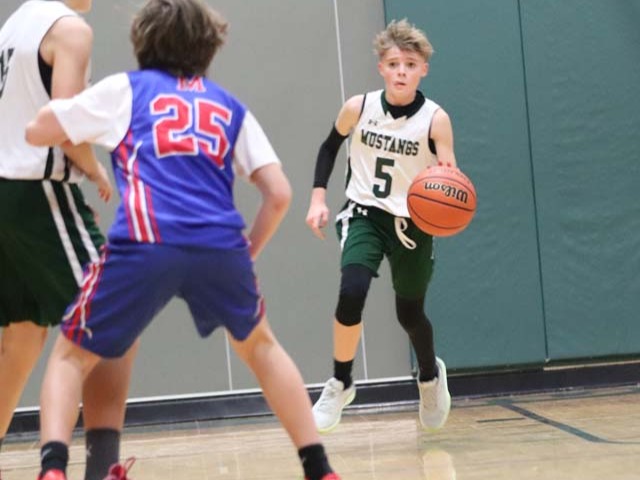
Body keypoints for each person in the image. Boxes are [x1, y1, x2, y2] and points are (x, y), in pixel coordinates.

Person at [25, 1, 341, 479]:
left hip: (145, 239)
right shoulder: (228, 105)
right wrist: (247, 252)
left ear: (142, 40)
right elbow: (279, 194)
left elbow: (39, 130)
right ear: (209, 47)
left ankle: (53, 468)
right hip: (220, 245)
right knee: (262, 348)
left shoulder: (127, 89)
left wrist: (67, 105)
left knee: (70, 355)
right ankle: (319, 468)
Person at [0, 1, 138, 479]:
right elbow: (62, 123)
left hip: (7, 190)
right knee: (113, 312)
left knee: (21, 336)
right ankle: (96, 469)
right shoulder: (70, 30)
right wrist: (94, 169)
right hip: (35, 189)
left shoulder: (14, 24)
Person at [305, 18, 454, 433]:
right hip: (365, 213)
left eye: (410, 64)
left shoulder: (435, 119)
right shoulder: (359, 107)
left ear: (423, 69)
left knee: (410, 314)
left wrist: (448, 202)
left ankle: (429, 376)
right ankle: (341, 382)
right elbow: (329, 147)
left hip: (413, 222)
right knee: (351, 291)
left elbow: (449, 174)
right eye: (393, 64)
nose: (401, 72)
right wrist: (318, 197)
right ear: (381, 69)